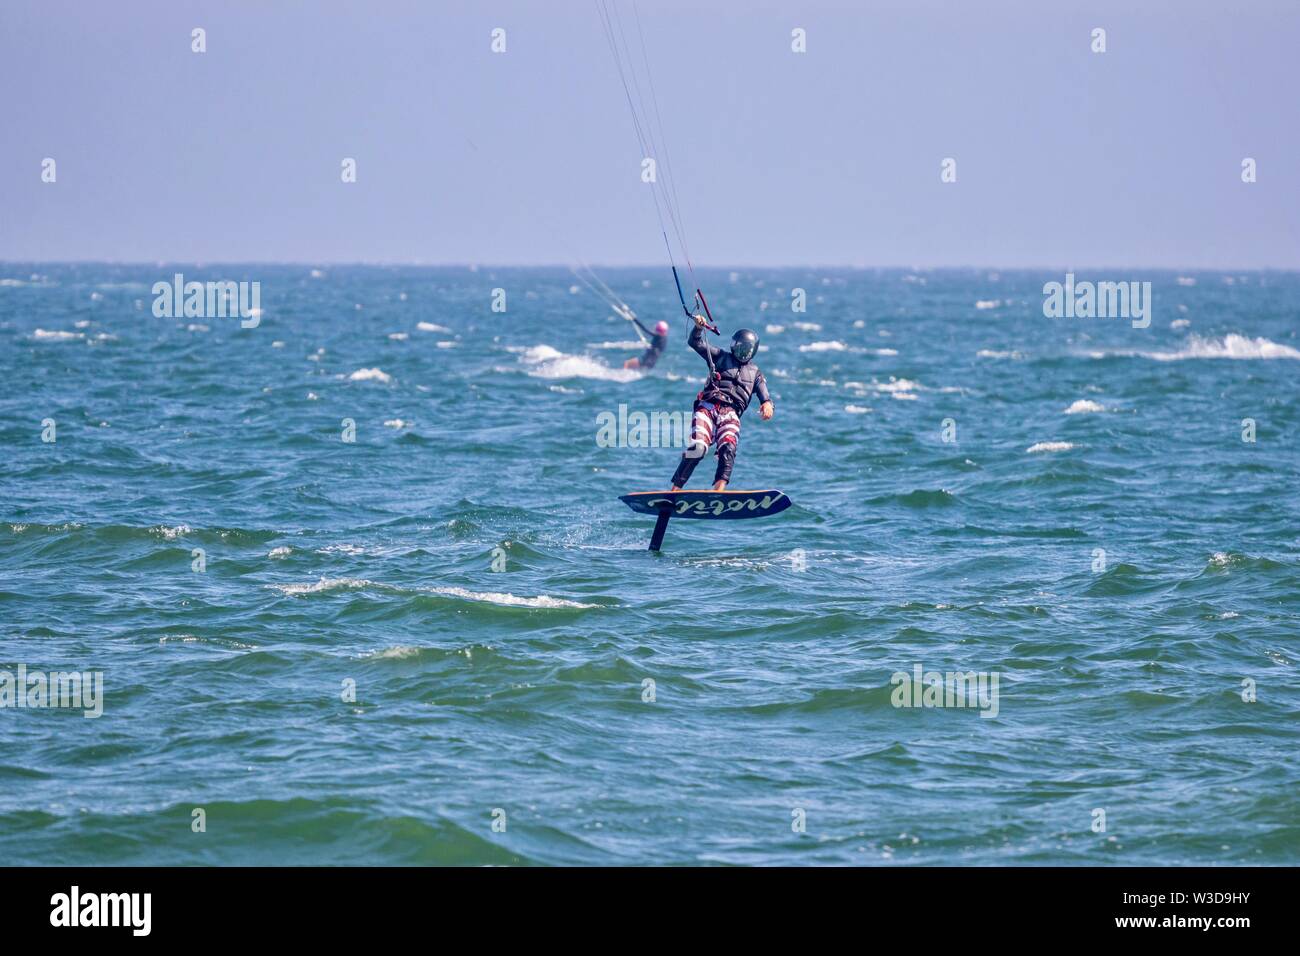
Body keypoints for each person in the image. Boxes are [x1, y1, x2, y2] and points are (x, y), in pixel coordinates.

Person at [669, 314, 774, 491]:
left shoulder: (756, 373)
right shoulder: (719, 356)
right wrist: (698, 328)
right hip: (707, 407)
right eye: (739, 347)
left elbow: (765, 396)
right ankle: (674, 490)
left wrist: (767, 405)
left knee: (728, 447)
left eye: (746, 349)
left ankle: (719, 490)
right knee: (698, 448)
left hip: (730, 414)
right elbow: (695, 343)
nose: (742, 352)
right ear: (733, 346)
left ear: (752, 351)